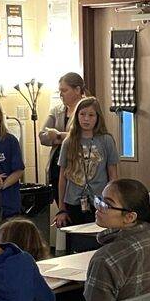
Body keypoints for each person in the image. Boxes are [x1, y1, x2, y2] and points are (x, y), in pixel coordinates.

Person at [55, 96, 119, 228]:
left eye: (91, 115)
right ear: (77, 116)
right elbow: (62, 176)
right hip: (73, 200)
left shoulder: (106, 140)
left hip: (99, 200)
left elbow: (113, 174)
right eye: (82, 114)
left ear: (97, 118)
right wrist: (61, 208)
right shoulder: (69, 142)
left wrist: (113, 202)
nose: (86, 119)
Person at [39, 72, 87, 205]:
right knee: (61, 204)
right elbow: (42, 136)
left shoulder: (87, 109)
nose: (61, 94)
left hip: (78, 166)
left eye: (64, 90)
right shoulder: (56, 110)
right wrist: (62, 138)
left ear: (77, 90)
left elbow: (83, 137)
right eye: (60, 91)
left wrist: (58, 136)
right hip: (57, 164)